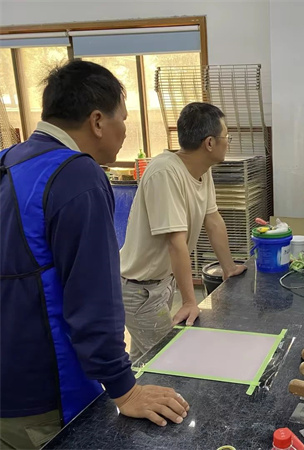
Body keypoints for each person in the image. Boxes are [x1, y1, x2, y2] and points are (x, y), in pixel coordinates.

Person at [0, 61, 189, 449]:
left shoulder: (10, 162)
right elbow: (93, 298)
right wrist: (124, 388)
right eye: (124, 119)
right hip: (47, 394)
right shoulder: (75, 174)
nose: (125, 132)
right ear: (98, 121)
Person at [120, 102, 247, 362]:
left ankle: (132, 400)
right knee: (169, 361)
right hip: (140, 290)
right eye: (226, 137)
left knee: (144, 361)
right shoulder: (165, 172)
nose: (228, 143)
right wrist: (190, 301)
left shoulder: (202, 169)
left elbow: (213, 221)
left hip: (161, 282)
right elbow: (175, 243)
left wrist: (228, 267)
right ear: (209, 143)